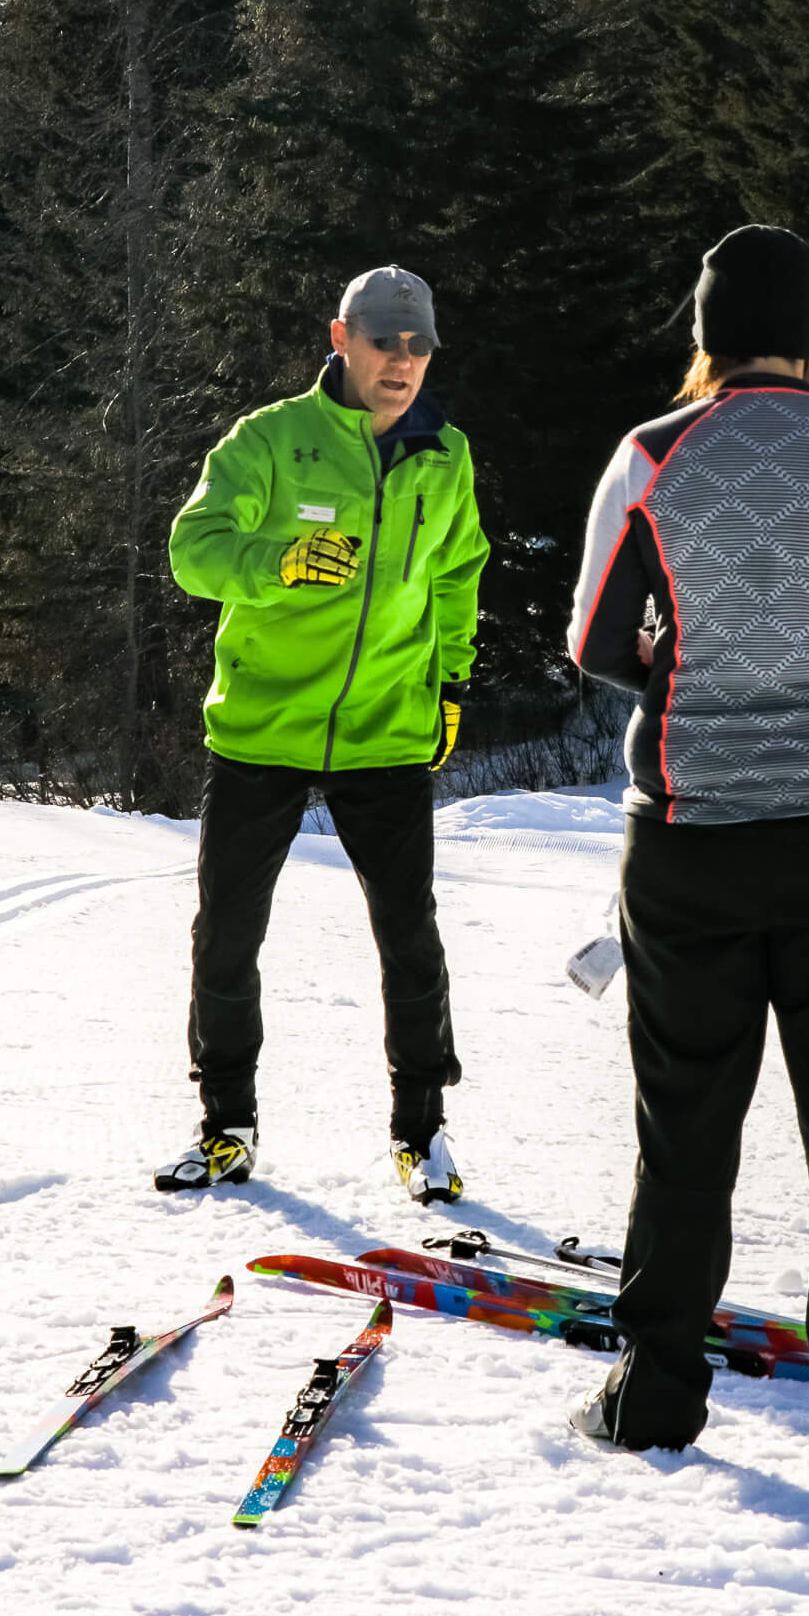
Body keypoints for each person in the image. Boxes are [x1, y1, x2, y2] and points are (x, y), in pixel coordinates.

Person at [565, 224, 809, 1461]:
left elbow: (593, 638)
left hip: (694, 837)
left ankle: (659, 1395)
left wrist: (677, 658)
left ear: (705, 334)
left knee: (684, 1126)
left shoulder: (650, 455)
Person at [162, 266, 490, 1206]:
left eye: (419, 345)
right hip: (263, 727)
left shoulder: (446, 454)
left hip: (386, 729)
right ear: (341, 339)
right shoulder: (270, 440)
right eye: (386, 342)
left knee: (409, 936)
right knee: (228, 933)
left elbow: (460, 569)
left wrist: (452, 679)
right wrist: (278, 562)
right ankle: (225, 1124)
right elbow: (195, 550)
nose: (403, 362)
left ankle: (421, 1130)